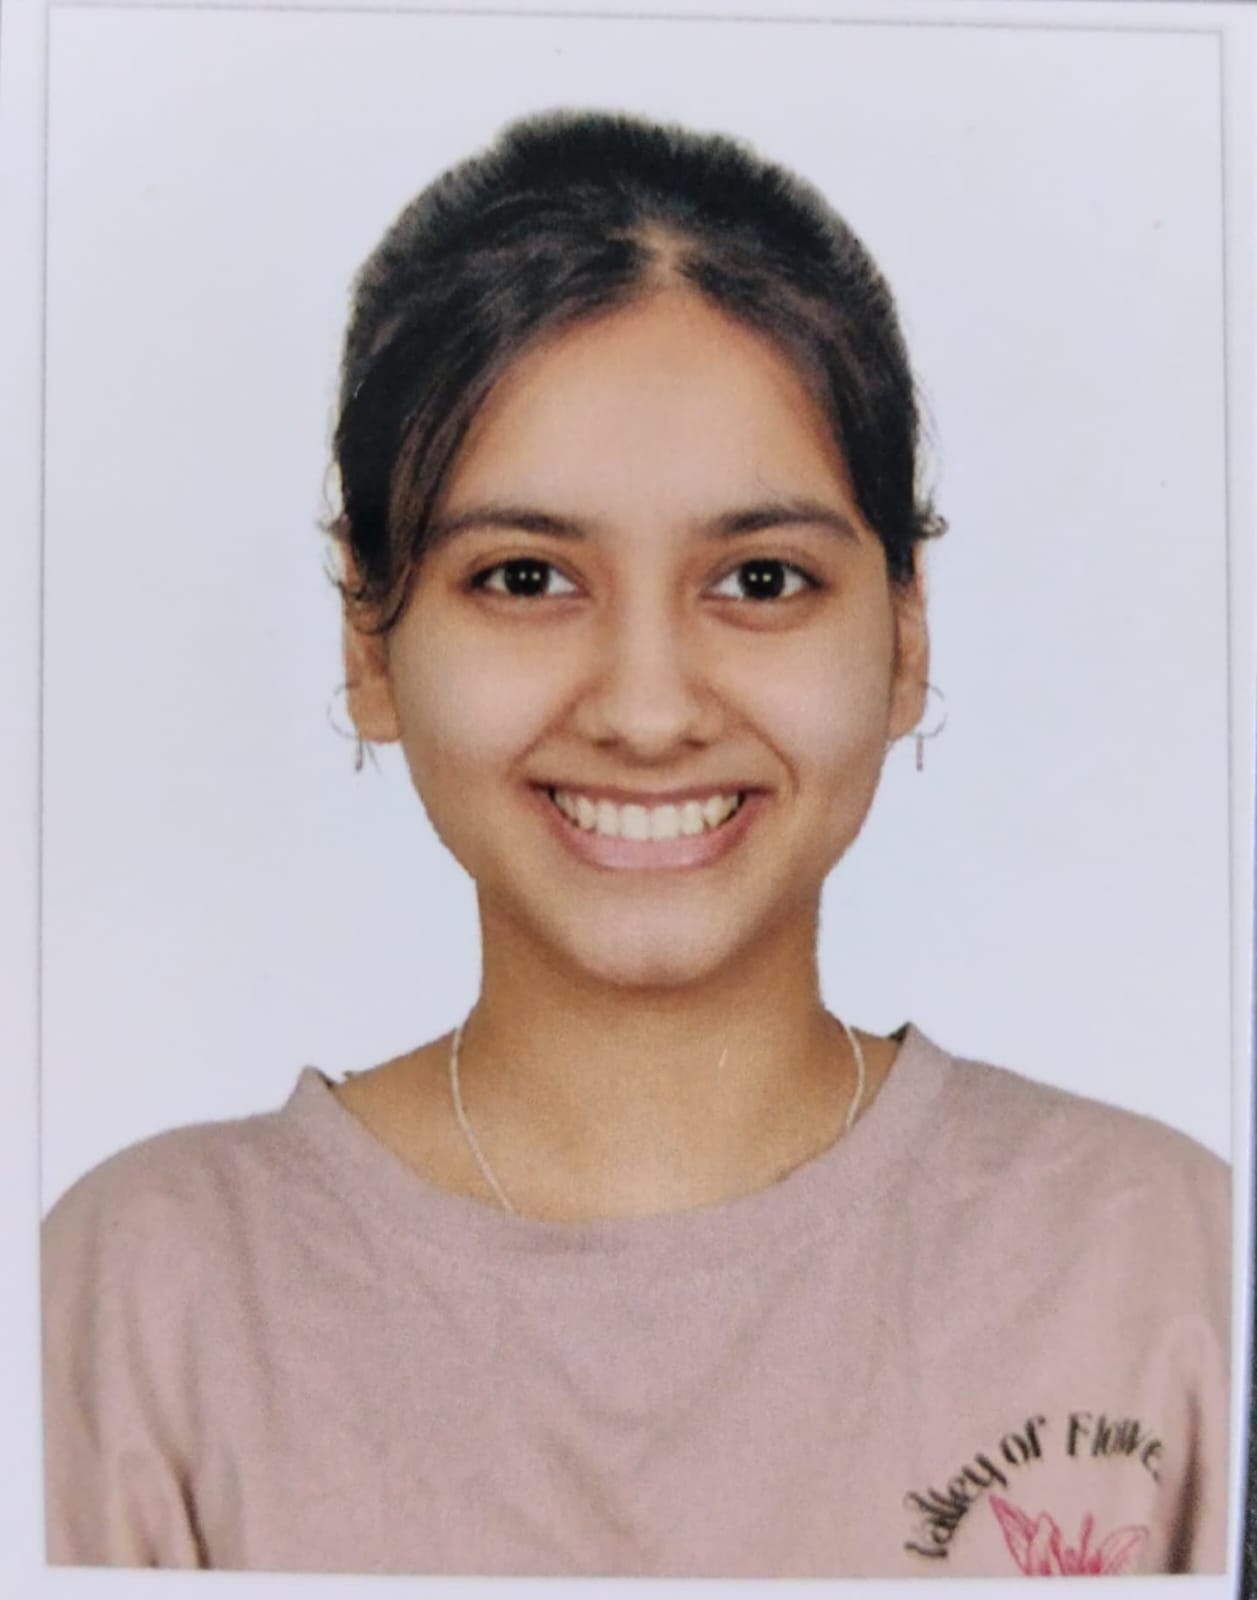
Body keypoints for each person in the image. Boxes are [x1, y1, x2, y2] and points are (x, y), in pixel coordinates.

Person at [41, 108, 1230, 1578]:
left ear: (905, 630)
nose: (649, 710)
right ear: (369, 638)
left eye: (761, 579)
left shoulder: (1161, 1262)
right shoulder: (140, 1296)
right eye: (526, 577)